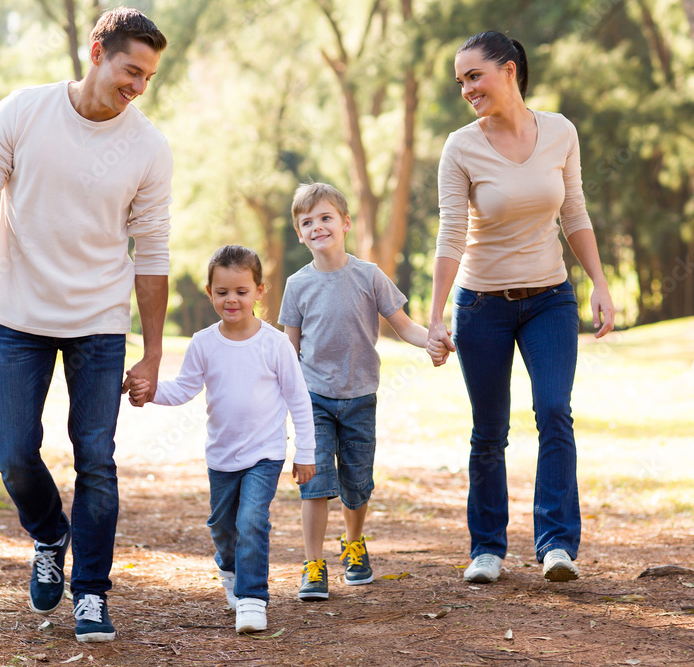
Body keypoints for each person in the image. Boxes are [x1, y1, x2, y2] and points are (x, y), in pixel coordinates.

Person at [0, 8, 171, 643]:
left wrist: (151, 353)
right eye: (131, 71)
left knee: (96, 458)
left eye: (149, 77)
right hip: (18, 314)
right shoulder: (24, 111)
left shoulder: (148, 147)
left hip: (99, 321)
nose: (138, 88)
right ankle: (49, 533)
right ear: (96, 52)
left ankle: (92, 593)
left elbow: (152, 255)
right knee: (13, 453)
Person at [429, 31, 616, 585]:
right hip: (481, 304)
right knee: (489, 429)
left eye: (474, 75)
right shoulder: (460, 146)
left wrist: (599, 282)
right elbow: (450, 236)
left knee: (554, 409)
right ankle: (487, 548)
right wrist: (436, 317)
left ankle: (557, 543)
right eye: (460, 80)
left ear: (509, 71)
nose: (466, 88)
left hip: (550, 299)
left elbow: (575, 215)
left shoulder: (560, 132)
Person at [128, 245, 316, 634]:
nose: (232, 299)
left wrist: (305, 452)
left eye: (242, 291)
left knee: (252, 520)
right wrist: (149, 392)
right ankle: (230, 569)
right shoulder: (204, 343)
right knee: (222, 526)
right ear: (210, 293)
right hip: (222, 456)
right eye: (223, 291)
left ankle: (252, 598)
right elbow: (183, 388)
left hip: (265, 453)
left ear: (259, 292)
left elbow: (299, 400)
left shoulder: (275, 344)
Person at [278, 182, 441, 601]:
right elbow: (288, 349)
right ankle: (313, 563)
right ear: (299, 233)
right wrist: (279, 402)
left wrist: (434, 340)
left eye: (326, 217)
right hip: (313, 398)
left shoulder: (369, 276)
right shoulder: (297, 285)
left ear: (346, 223)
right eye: (307, 222)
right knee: (314, 484)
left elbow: (404, 326)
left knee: (357, 482)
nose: (317, 227)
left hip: (360, 397)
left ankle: (353, 544)